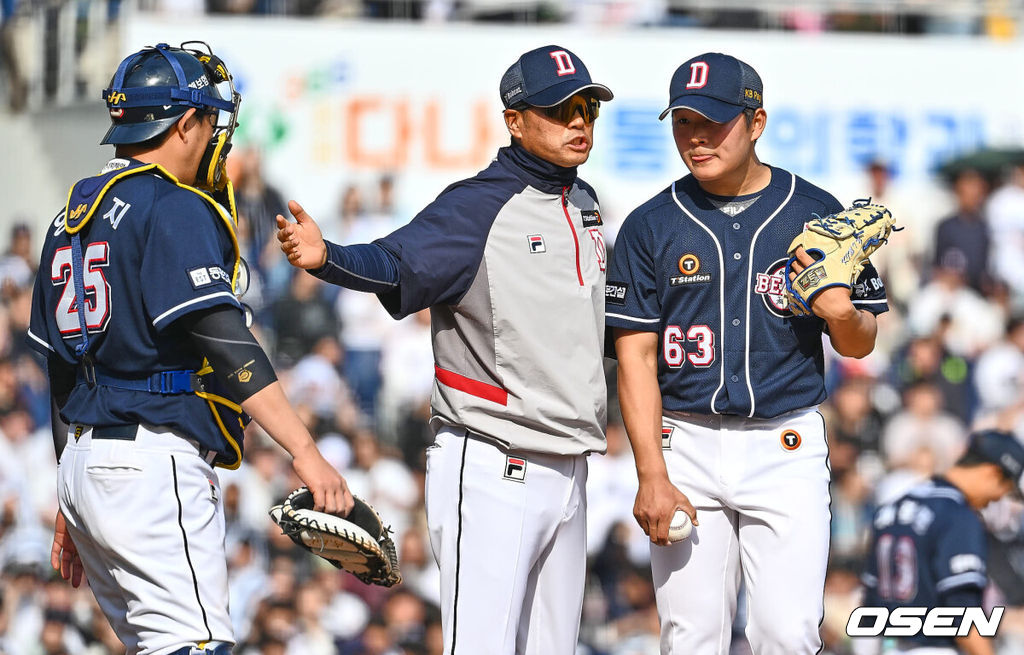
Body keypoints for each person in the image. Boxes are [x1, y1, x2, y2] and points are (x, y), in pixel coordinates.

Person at [276, 45, 613, 653]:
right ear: (515, 119)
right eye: (560, 110)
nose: (579, 121)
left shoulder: (585, 202)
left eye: (587, 106)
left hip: (571, 463)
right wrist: (329, 259)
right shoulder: (478, 204)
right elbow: (395, 260)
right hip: (493, 459)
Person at [28, 42, 352, 655]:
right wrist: (305, 451)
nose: (212, 138)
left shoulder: (69, 214)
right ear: (184, 123)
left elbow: (61, 371)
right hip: (150, 459)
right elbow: (225, 341)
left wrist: (71, 492)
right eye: (208, 122)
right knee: (198, 647)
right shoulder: (172, 205)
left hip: (86, 465)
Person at [606, 52, 888, 654]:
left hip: (785, 444)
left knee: (787, 634)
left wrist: (842, 316)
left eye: (715, 121)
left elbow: (861, 340)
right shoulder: (649, 225)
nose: (697, 136)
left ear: (756, 122)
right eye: (684, 121)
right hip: (684, 442)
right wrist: (650, 473)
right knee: (691, 637)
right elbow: (634, 359)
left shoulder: (815, 213)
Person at [861, 429, 1024, 655]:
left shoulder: (891, 509)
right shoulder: (958, 517)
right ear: (992, 473)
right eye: (1004, 489)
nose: (997, 499)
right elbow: (963, 617)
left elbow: (870, 604)